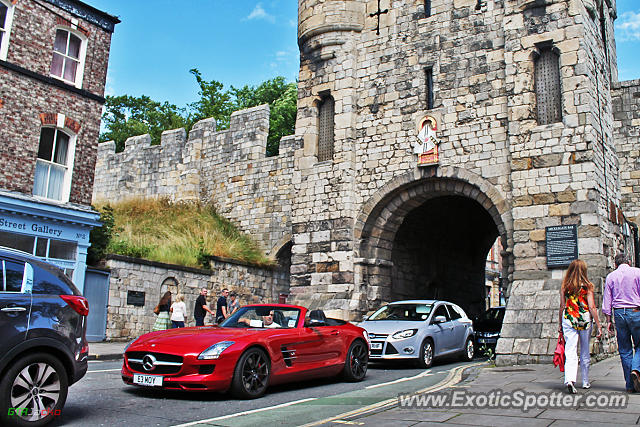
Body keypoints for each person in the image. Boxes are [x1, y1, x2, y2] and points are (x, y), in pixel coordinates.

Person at [558, 259, 602, 393]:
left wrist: (560, 324)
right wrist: (599, 325)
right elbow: (592, 306)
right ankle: (585, 381)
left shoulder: (565, 286)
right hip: (584, 319)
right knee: (584, 350)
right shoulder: (587, 286)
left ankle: (570, 380)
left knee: (570, 350)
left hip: (569, 319)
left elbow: (562, 306)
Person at [603, 253, 640, 393]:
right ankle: (636, 370)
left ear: (616, 264)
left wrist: (608, 321)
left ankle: (630, 386)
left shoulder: (611, 276)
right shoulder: (637, 272)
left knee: (625, 350)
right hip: (636, 311)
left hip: (619, 313)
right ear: (629, 262)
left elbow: (607, 300)